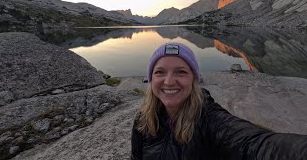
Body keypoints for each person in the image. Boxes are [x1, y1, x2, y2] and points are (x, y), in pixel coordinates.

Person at [131, 42, 307, 160]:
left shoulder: (208, 117)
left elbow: (253, 144)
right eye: (160, 72)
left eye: (181, 72)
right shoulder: (143, 119)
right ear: (151, 79)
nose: (169, 81)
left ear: (194, 79)